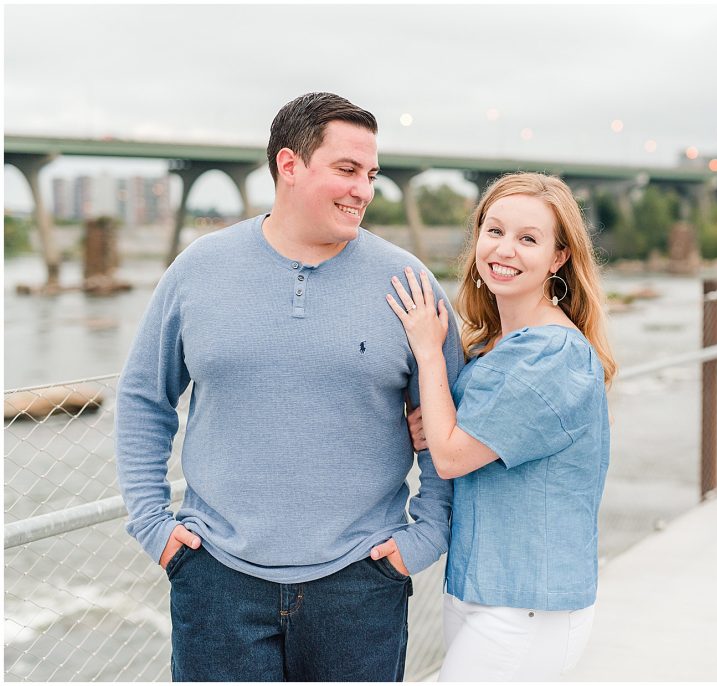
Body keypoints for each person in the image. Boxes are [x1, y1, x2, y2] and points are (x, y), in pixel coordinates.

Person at [115, 92, 463, 681]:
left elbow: (450, 418)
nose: (364, 190)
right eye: (347, 170)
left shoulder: (408, 282)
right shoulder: (199, 270)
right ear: (289, 165)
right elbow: (144, 399)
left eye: (371, 174)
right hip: (216, 580)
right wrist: (153, 524)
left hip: (361, 583)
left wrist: (427, 534)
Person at [386, 172, 617, 680]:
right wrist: (432, 417)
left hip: (530, 603)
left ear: (559, 257)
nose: (504, 249)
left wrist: (427, 349)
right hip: (478, 588)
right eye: (494, 231)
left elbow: (449, 457)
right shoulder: (493, 345)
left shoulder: (551, 355)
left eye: (528, 239)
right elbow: (454, 438)